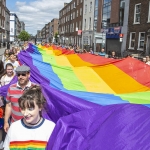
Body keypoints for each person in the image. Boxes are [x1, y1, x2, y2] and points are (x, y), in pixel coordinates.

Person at [3, 85, 55, 150]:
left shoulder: (51, 128)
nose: (25, 113)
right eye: (23, 108)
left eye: (30, 109)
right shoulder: (14, 128)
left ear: (40, 107)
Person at [4, 65, 35, 133]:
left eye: (23, 74)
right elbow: (9, 105)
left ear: (28, 75)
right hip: (15, 125)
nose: (20, 77)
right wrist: (6, 122)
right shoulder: (11, 88)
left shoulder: (35, 88)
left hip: (32, 126)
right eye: (18, 75)